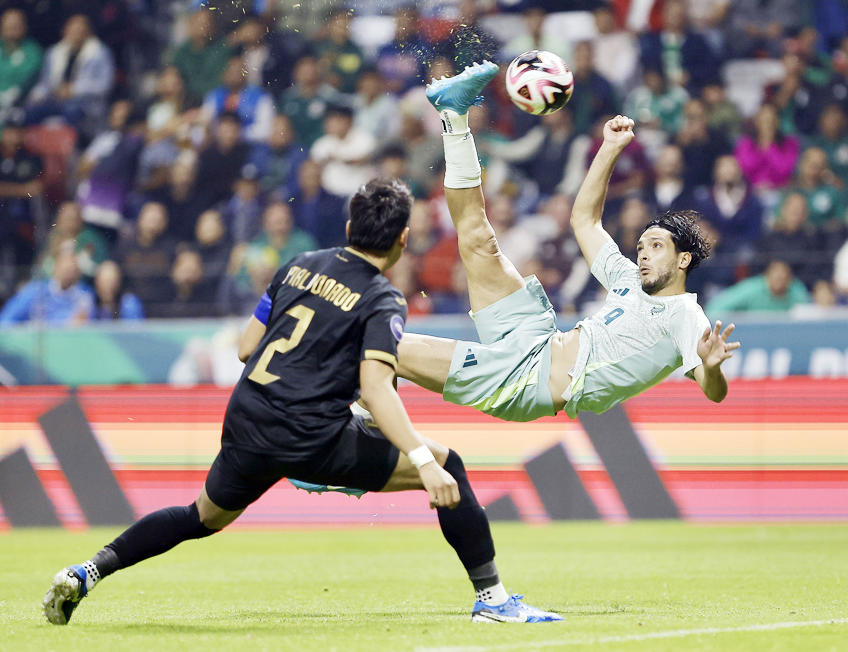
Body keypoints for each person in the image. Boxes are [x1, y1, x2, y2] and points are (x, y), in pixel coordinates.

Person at [42, 177, 562, 626]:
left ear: (348, 227)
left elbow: (248, 347)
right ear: (403, 240)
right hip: (312, 435)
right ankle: (493, 600)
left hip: (248, 420)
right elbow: (379, 387)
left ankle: (86, 571)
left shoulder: (297, 265)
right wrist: (424, 463)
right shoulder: (383, 299)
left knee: (200, 517)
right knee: (452, 464)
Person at [299, 63, 739, 435]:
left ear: (683, 260)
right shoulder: (628, 280)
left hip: (526, 383)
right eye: (641, 245)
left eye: (655, 246)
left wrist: (712, 366)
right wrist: (608, 149)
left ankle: (335, 440)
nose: (641, 253)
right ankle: (454, 114)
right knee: (476, 237)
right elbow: (584, 220)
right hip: (538, 336)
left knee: (384, 345)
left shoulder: (687, 317)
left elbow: (712, 390)